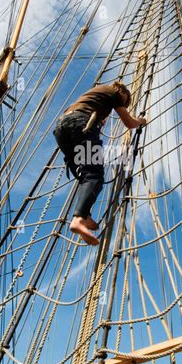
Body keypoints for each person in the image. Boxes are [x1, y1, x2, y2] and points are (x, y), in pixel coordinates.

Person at [53, 81, 147, 245]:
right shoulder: (114, 93)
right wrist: (141, 121)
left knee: (84, 176)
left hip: (62, 128)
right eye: (124, 103)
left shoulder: (95, 93)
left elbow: (90, 111)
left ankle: (85, 213)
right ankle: (79, 220)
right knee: (94, 174)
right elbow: (129, 123)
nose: (122, 105)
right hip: (80, 124)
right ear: (122, 92)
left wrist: (99, 120)